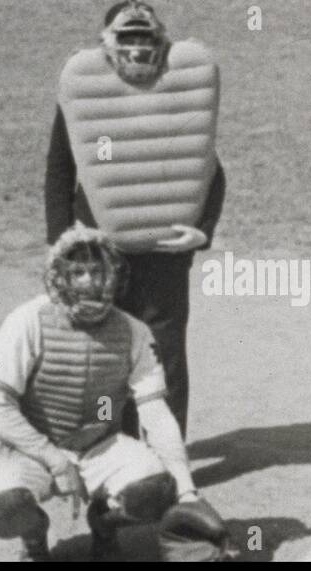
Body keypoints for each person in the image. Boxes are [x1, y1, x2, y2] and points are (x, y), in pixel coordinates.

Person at [0, 224, 234, 561]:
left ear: (113, 275)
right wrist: (55, 462)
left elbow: (155, 412)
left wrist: (187, 492)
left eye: (97, 271)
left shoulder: (134, 331)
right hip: (36, 448)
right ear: (58, 276)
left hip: (99, 444)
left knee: (155, 491)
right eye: (78, 271)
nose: (88, 282)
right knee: (1, 506)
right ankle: (34, 539)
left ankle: (105, 524)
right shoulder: (27, 321)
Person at [44, 0, 225, 439]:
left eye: (144, 37)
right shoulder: (84, 97)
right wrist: (62, 244)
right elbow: (60, 171)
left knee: (166, 358)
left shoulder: (175, 90)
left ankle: (169, 458)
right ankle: (116, 451)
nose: (137, 47)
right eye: (128, 37)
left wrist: (201, 234)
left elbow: (208, 170)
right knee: (107, 359)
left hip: (166, 254)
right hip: (100, 252)